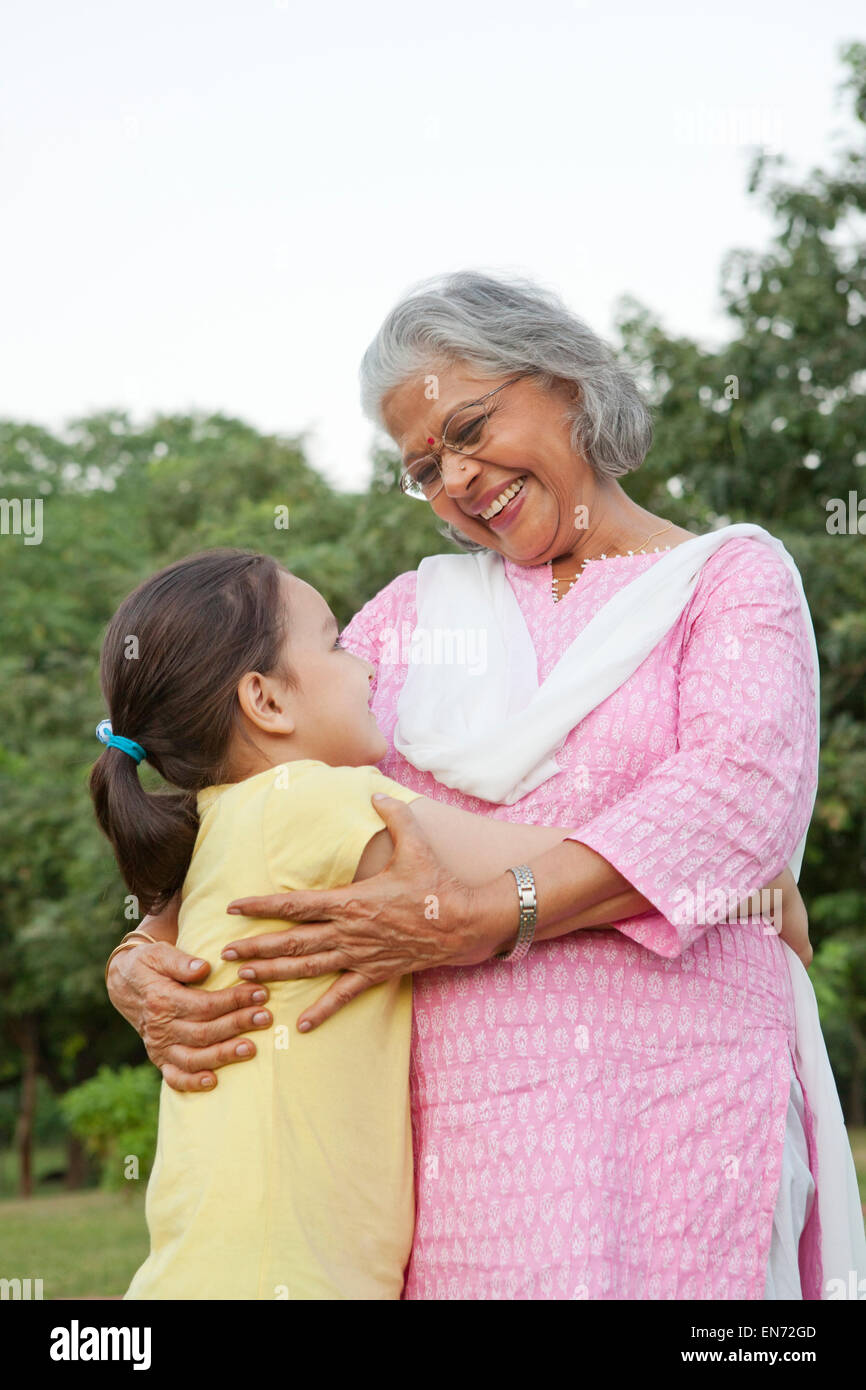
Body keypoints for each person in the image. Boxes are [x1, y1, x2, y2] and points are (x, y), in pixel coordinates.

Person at [107, 271, 864, 1300]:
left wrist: (492, 912)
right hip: (453, 1144)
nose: (455, 477)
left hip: (677, 1108)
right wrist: (142, 954)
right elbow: (244, 784)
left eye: (468, 427)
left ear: (563, 383)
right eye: (423, 466)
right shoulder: (405, 618)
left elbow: (735, 801)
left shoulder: (728, 580)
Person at [94, 546, 718, 1298]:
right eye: (333, 643)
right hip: (281, 1273)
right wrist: (755, 876)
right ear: (266, 701)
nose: (369, 670)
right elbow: (586, 865)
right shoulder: (314, 800)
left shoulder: (224, 822)